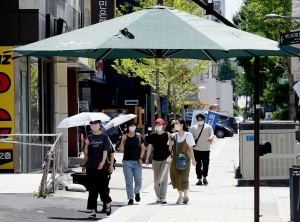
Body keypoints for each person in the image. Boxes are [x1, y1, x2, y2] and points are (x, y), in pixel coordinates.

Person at [82, 120, 112, 218]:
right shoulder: (88, 137)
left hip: (102, 167)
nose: (93, 125)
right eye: (91, 124)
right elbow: (86, 154)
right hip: (91, 166)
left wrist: (103, 162)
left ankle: (107, 202)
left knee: (102, 188)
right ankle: (93, 211)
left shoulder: (104, 137)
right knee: (92, 190)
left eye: (95, 124)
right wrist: (86, 144)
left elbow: (106, 151)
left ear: (99, 125)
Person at [168, 119, 197, 204]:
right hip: (175, 160)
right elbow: (169, 150)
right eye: (174, 124)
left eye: (177, 123)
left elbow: (190, 149)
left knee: (185, 177)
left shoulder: (188, 135)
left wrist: (193, 160)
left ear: (182, 125)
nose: (175, 125)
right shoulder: (173, 135)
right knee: (176, 177)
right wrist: (171, 144)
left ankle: (185, 195)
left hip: (185, 159)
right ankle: (180, 195)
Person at [119, 121, 145, 205]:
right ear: (127, 127)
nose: (132, 127)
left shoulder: (138, 136)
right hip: (127, 161)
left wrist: (141, 158)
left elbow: (143, 148)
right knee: (129, 181)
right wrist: (122, 140)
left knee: (139, 180)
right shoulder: (124, 137)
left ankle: (137, 191)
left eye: (134, 126)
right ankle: (130, 198)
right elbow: (121, 150)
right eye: (131, 126)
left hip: (137, 161)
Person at [145, 118, 170, 204]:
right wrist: (147, 158)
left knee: (164, 178)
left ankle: (163, 196)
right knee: (156, 180)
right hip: (155, 159)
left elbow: (171, 144)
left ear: (163, 126)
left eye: (160, 124)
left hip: (165, 159)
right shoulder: (152, 136)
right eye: (157, 125)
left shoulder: (167, 135)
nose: (158, 126)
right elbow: (149, 148)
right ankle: (158, 196)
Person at [189, 113, 214, 185]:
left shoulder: (208, 127)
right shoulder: (193, 128)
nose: (200, 121)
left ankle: (205, 177)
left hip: (206, 149)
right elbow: (190, 137)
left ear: (204, 119)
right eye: (198, 120)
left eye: (201, 119)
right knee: (198, 164)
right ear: (196, 120)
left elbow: (212, 134)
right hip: (196, 149)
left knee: (206, 164)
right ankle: (199, 178)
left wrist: (210, 138)